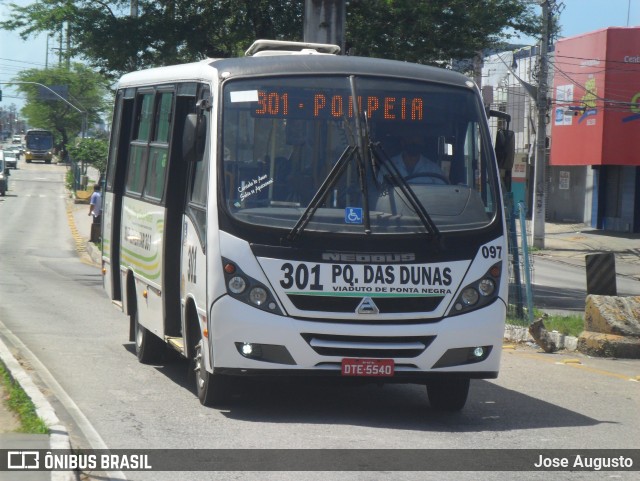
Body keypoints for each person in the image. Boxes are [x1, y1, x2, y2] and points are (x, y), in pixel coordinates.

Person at [378, 135, 446, 184]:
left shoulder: (434, 169)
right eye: (411, 142)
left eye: (417, 143)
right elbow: (379, 192)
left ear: (422, 144)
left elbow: (442, 194)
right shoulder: (388, 166)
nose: (414, 144)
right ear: (402, 143)